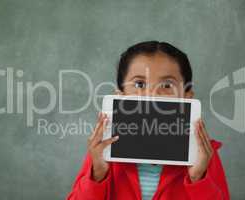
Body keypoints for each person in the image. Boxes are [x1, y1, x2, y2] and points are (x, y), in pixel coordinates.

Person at [67, 41, 230, 200]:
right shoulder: (104, 151)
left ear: (187, 97)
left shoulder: (203, 153)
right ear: (120, 95)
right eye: (139, 84)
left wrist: (198, 178)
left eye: (167, 85)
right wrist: (97, 174)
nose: (152, 94)